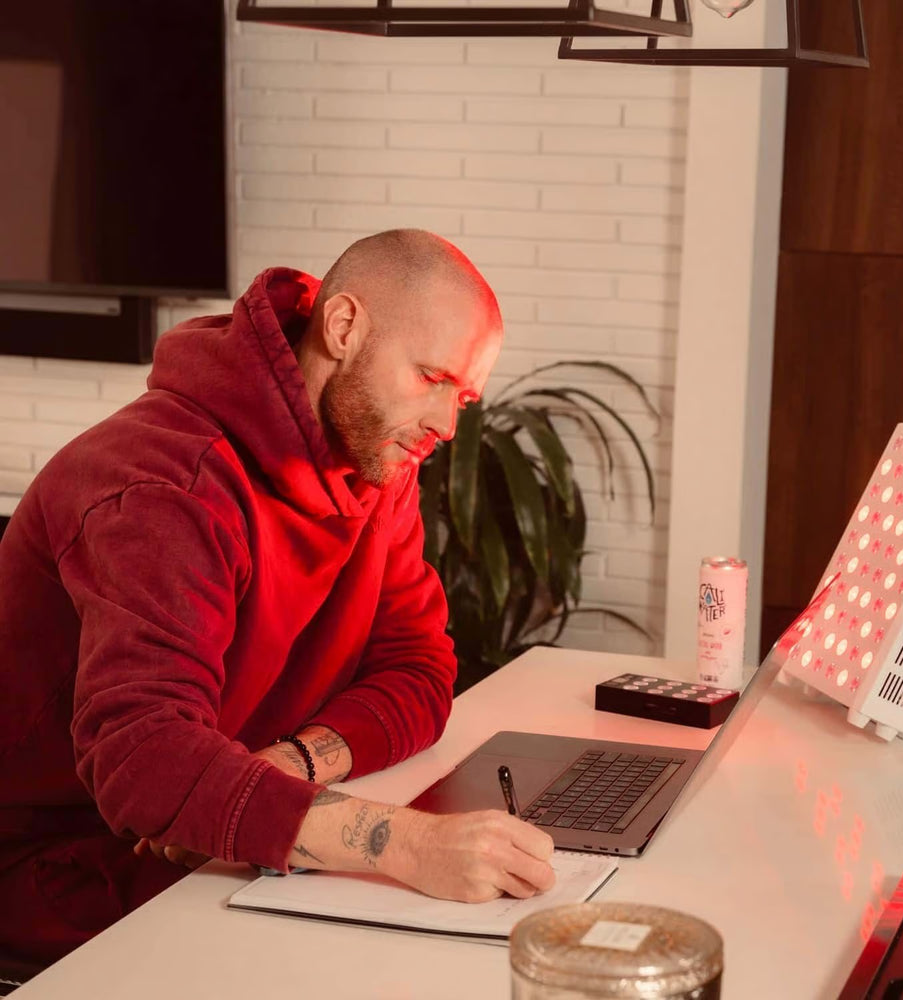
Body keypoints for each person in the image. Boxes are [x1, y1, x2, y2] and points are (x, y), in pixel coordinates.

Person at [0, 229, 555, 968]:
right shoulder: (164, 484)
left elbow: (419, 668)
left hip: (202, 840)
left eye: (463, 396)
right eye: (430, 376)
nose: (446, 426)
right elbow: (143, 756)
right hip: (58, 869)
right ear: (345, 327)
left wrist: (290, 764)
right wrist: (404, 843)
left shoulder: (371, 457)